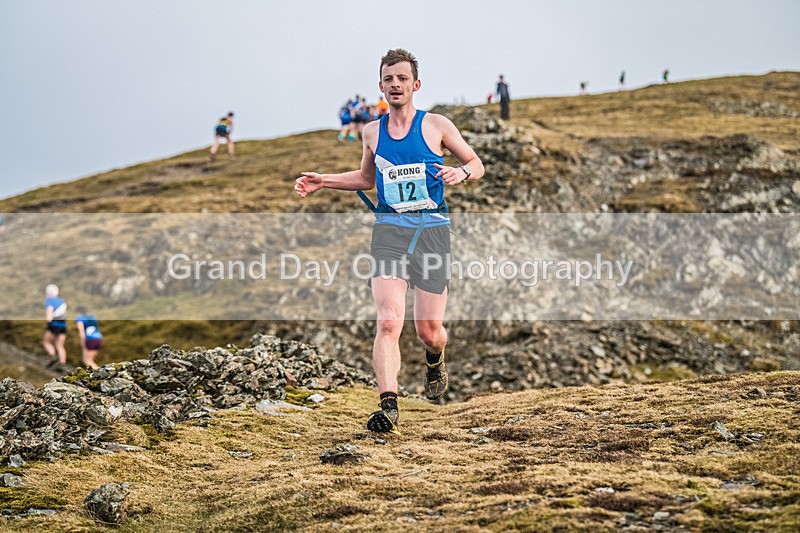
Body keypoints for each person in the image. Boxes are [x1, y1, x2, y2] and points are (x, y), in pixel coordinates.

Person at [295, 49, 484, 433]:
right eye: (388, 79)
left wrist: (460, 174)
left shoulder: (436, 125)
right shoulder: (372, 132)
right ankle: (389, 405)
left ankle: (435, 358)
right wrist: (324, 180)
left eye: (402, 78)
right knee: (387, 321)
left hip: (431, 232)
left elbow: (476, 163)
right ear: (380, 85)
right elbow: (367, 178)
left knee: (428, 330)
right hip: (389, 232)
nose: (395, 85)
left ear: (416, 85)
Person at [43, 284, 68, 369]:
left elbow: (49, 312)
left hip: (54, 325)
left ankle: (53, 356)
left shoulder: (49, 300)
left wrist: (48, 321)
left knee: (47, 342)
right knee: (60, 345)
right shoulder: (62, 301)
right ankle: (62, 364)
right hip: (63, 325)